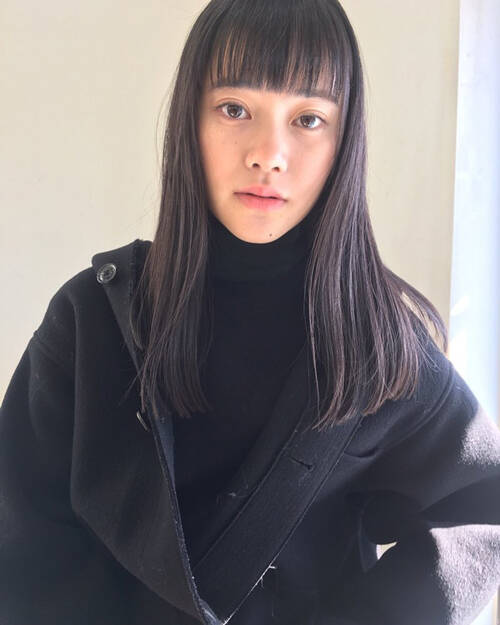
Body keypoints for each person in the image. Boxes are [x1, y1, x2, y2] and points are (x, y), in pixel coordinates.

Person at [1, 0, 499, 623]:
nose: (269, 153)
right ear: (190, 120)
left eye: (309, 119)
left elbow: (479, 505)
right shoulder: (90, 322)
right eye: (234, 109)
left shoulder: (377, 345)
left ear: (344, 141)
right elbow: (21, 536)